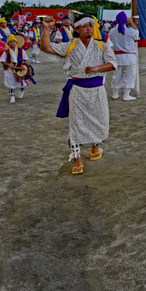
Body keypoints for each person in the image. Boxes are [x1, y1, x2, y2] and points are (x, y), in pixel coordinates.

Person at [40, 16, 117, 175]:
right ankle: (77, 159)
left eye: (91, 26)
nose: (88, 28)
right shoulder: (70, 46)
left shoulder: (102, 46)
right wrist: (47, 28)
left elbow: (112, 64)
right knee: (76, 125)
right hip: (77, 90)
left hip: (97, 90)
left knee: (101, 120)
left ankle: (95, 149)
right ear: (77, 29)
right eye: (84, 26)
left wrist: (96, 68)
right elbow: (46, 48)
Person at [108, 12, 140, 101]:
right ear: (126, 21)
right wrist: (132, 23)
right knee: (129, 76)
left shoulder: (112, 31)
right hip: (129, 57)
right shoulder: (130, 31)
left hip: (117, 57)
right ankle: (126, 95)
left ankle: (115, 94)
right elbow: (137, 34)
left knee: (116, 76)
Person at [0, 35, 31, 103]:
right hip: (10, 69)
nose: (13, 43)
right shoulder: (6, 52)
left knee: (22, 82)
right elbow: (2, 61)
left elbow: (25, 59)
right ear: (8, 43)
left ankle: (21, 91)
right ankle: (12, 97)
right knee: (11, 83)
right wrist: (9, 64)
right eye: (10, 42)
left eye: (14, 41)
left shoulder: (21, 50)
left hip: (19, 68)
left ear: (16, 43)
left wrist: (22, 65)